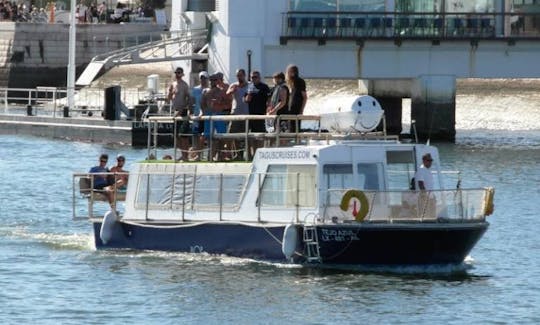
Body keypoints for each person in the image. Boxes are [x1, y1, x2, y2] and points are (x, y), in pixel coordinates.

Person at [202, 73, 229, 160]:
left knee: (221, 136)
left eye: (214, 80)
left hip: (219, 114)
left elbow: (228, 103)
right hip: (208, 115)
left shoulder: (221, 91)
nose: (212, 82)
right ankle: (210, 155)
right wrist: (204, 111)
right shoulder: (205, 91)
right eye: (211, 80)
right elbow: (202, 103)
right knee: (208, 136)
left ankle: (220, 155)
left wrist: (220, 104)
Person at [168, 67, 191, 161]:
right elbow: (169, 98)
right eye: (176, 73)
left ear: (182, 74)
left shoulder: (185, 85)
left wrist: (182, 110)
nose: (177, 74)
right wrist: (170, 92)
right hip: (175, 111)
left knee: (183, 136)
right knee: (176, 136)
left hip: (183, 111)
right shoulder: (173, 84)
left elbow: (188, 99)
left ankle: (186, 156)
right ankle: (183, 154)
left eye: (179, 73)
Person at [190, 71, 209, 160]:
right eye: (201, 78)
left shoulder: (209, 90)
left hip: (206, 116)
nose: (203, 80)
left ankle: (203, 154)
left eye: (205, 78)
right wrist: (190, 112)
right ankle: (198, 155)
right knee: (197, 135)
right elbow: (192, 101)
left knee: (205, 136)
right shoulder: (195, 89)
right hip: (197, 116)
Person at [285, 64, 307, 133]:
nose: (288, 74)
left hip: (296, 107)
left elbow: (305, 97)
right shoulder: (290, 83)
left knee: (295, 127)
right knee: (289, 127)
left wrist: (301, 110)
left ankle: (296, 141)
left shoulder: (299, 81)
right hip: (290, 107)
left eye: (289, 72)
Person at [414, 153, 436, 218]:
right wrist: (424, 196)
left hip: (431, 196)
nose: (430, 162)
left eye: (431, 161)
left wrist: (433, 196)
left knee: (432, 215)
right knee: (424, 215)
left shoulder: (427, 170)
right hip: (424, 197)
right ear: (424, 161)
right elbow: (420, 183)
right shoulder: (421, 170)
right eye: (428, 160)